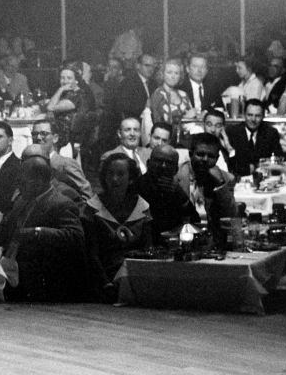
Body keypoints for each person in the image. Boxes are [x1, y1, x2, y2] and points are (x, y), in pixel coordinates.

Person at [0, 155, 92, 302]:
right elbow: (2, 232)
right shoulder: (22, 201)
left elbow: (75, 236)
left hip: (38, 281)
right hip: (13, 270)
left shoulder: (61, 204)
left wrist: (36, 232)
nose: (18, 185)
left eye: (22, 181)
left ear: (39, 181)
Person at [82, 153, 152, 288]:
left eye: (120, 174)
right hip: (103, 278)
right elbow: (91, 254)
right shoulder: (92, 208)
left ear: (131, 178)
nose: (114, 179)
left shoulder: (142, 207)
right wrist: (105, 283)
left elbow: (148, 248)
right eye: (110, 174)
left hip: (136, 275)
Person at [137, 144, 199, 243]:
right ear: (148, 163)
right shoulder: (137, 188)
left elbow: (194, 223)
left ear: (176, 170)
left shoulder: (177, 192)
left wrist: (180, 195)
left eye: (169, 163)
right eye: (159, 161)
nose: (163, 166)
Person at [185, 133, 236, 249]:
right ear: (190, 154)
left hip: (215, 242)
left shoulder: (227, 178)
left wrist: (220, 185)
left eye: (211, 156)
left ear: (217, 158)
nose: (205, 159)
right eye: (200, 154)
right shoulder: (177, 175)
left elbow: (231, 216)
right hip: (183, 240)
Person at [30, 120, 93, 199]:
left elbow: (87, 195)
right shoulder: (31, 164)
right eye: (34, 134)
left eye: (44, 134)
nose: (38, 138)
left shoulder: (65, 164)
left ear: (55, 138)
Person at [224, 99, 283, 177]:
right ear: (244, 115)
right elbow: (231, 163)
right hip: (238, 178)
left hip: (264, 178)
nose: (253, 119)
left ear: (263, 116)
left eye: (257, 116)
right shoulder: (232, 132)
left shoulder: (271, 133)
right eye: (250, 115)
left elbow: (277, 159)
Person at [47, 64, 97, 148]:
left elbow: (50, 107)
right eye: (62, 78)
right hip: (63, 134)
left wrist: (60, 89)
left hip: (69, 139)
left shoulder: (78, 95)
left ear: (76, 80)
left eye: (69, 78)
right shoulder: (68, 93)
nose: (65, 81)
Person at [145, 58, 194, 143]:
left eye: (176, 73)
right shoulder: (158, 95)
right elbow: (160, 126)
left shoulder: (184, 95)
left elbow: (192, 119)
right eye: (169, 72)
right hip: (166, 142)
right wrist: (185, 118)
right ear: (162, 74)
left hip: (186, 141)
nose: (173, 76)